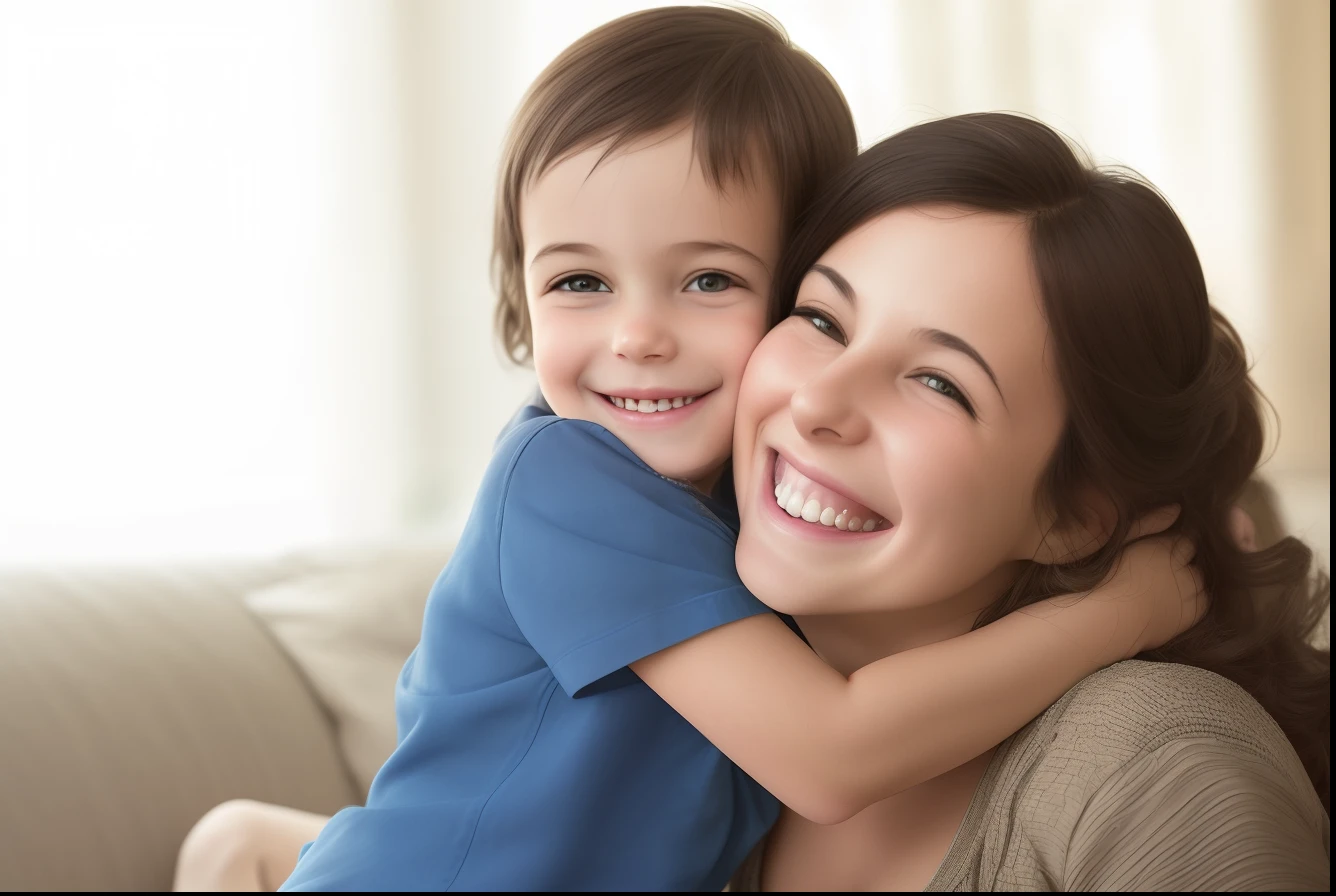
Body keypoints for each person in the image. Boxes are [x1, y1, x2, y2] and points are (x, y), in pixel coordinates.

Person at [177, 9, 1202, 893]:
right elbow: (831, 751)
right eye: (579, 282)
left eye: (707, 279)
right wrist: (1120, 609)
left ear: (799, 281)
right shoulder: (564, 482)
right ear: (522, 304)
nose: (638, 336)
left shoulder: (770, 523)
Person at [723, 112, 1329, 891]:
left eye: (940, 383)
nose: (817, 403)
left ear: (1076, 517)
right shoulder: (689, 711)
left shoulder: (1154, 768)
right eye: (821, 319)